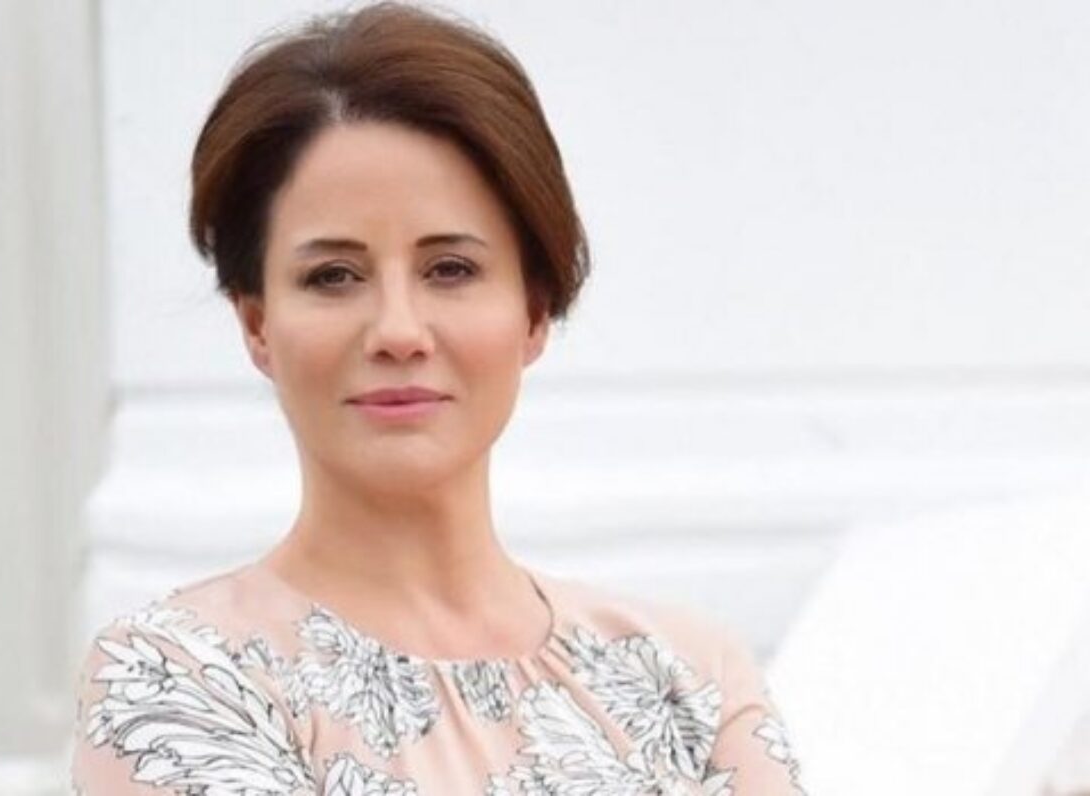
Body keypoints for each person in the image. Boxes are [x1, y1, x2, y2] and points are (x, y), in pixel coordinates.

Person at [70, 2, 806, 793]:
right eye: (333, 276)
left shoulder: (689, 679)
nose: (398, 331)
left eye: (450, 269)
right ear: (257, 324)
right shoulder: (179, 675)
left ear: (534, 311)